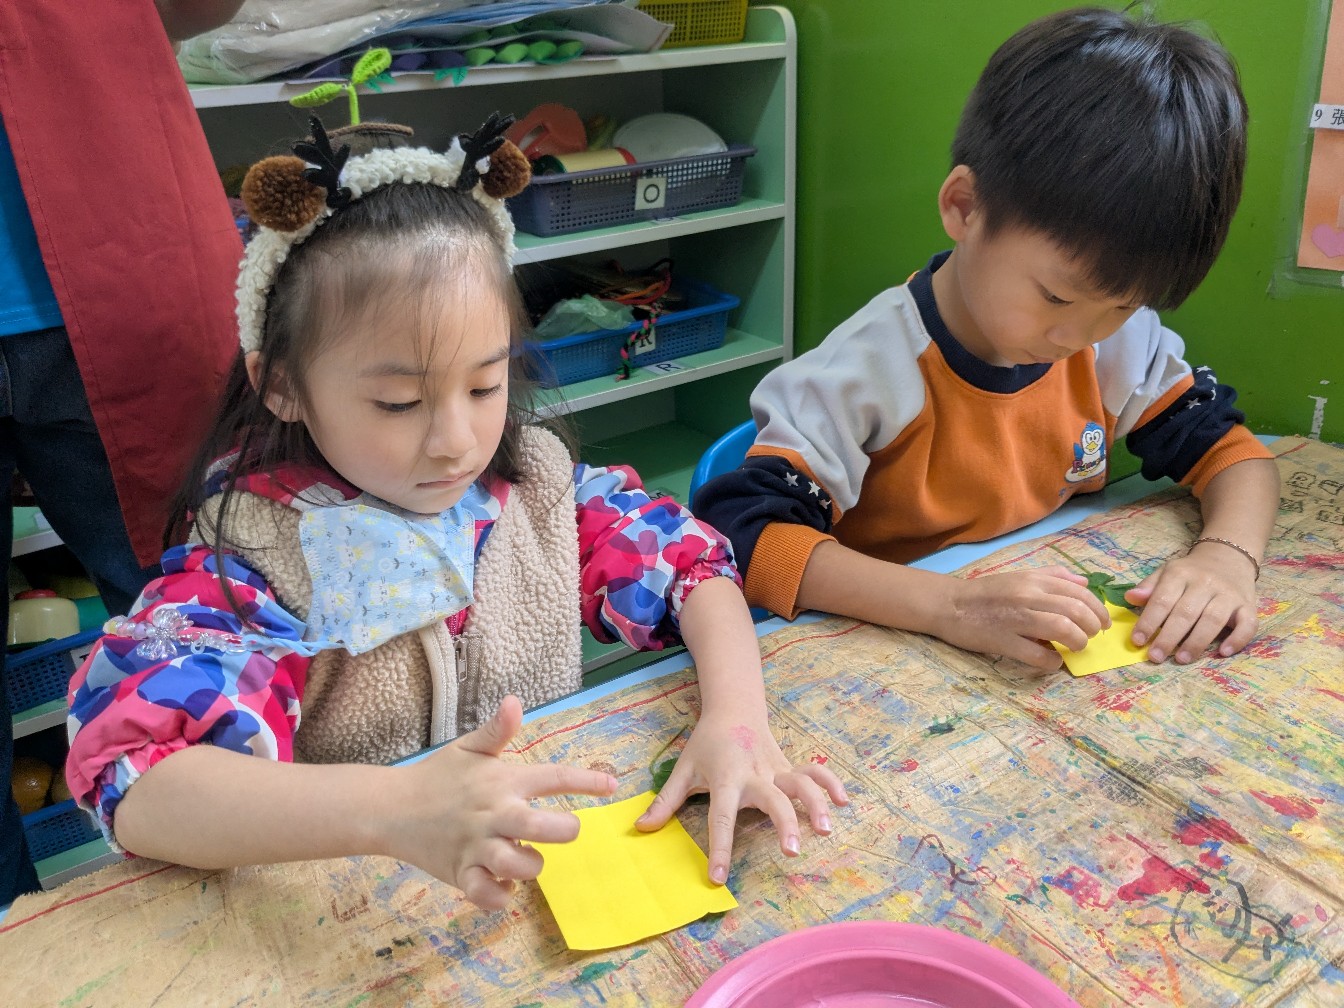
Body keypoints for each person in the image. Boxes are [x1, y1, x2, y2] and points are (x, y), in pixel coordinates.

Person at [62, 115, 847, 911]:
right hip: (370, 914)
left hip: (541, 885)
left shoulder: (539, 489)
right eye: (399, 402)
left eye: (484, 386)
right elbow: (136, 775)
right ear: (284, 386)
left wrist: (738, 720)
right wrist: (395, 809)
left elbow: (690, 564)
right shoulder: (253, 561)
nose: (457, 442)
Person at [694, 7, 1280, 673]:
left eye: (1123, 304)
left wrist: (1227, 557)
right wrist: (954, 607)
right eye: (1055, 297)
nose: (1076, 337)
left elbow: (1236, 455)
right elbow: (747, 541)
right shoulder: (866, 373)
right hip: (886, 648)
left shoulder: (1118, 346)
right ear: (964, 208)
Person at [0, 1, 244, 907]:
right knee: (197, 621)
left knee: (204, 626)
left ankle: (247, 904)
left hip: (116, 255)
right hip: (115, 240)